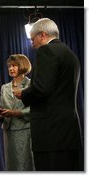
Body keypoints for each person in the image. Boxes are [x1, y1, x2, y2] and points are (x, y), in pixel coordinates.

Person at [13, 18, 83, 171]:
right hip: (69, 131)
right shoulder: (69, 53)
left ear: (42, 35)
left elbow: (42, 88)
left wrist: (23, 94)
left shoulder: (46, 50)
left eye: (33, 39)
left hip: (51, 133)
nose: (32, 44)